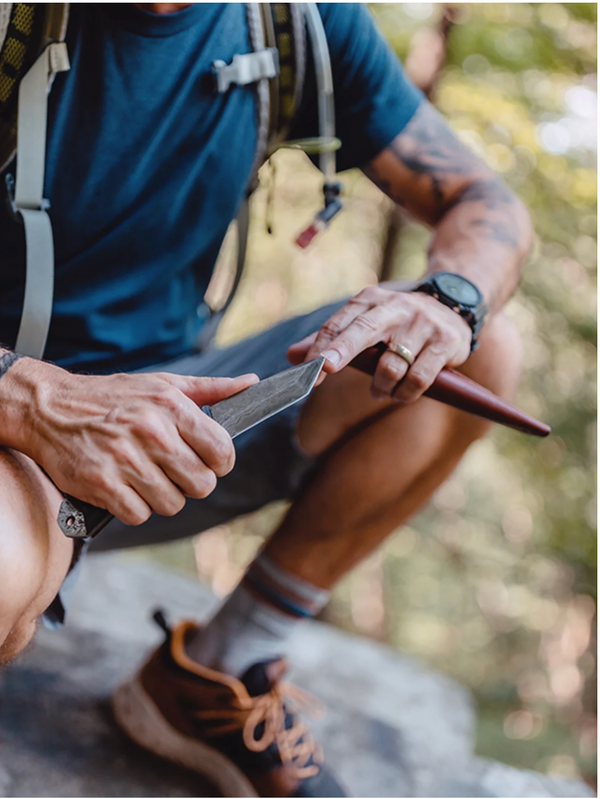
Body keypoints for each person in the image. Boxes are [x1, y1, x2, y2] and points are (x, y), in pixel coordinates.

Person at [0, 3, 532, 796]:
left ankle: (217, 671)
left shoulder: (291, 22)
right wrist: (29, 398)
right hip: (14, 429)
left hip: (177, 426)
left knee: (476, 352)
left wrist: (450, 301)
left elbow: (485, 201)